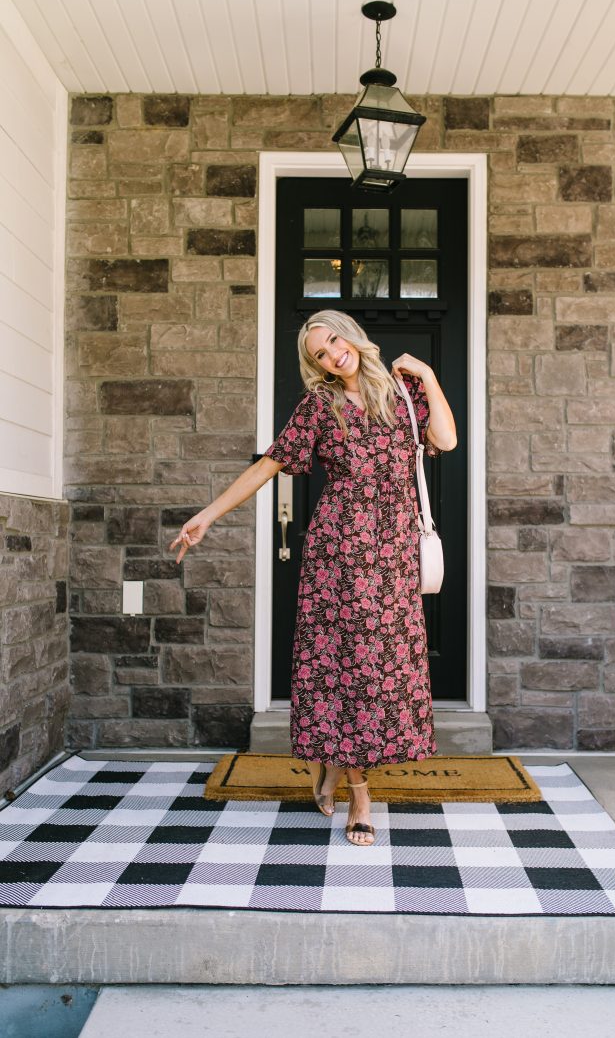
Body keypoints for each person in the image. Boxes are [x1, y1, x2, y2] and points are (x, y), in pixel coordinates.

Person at [170, 309, 457, 846]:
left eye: (333, 342)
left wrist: (429, 375)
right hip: (339, 557)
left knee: (380, 671)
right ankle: (360, 796)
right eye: (320, 355)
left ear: (350, 335)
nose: (332, 355)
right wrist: (207, 515)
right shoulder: (320, 406)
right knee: (343, 671)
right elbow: (268, 465)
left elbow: (447, 438)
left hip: (393, 556)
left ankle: (331, 765)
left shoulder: (401, 392)